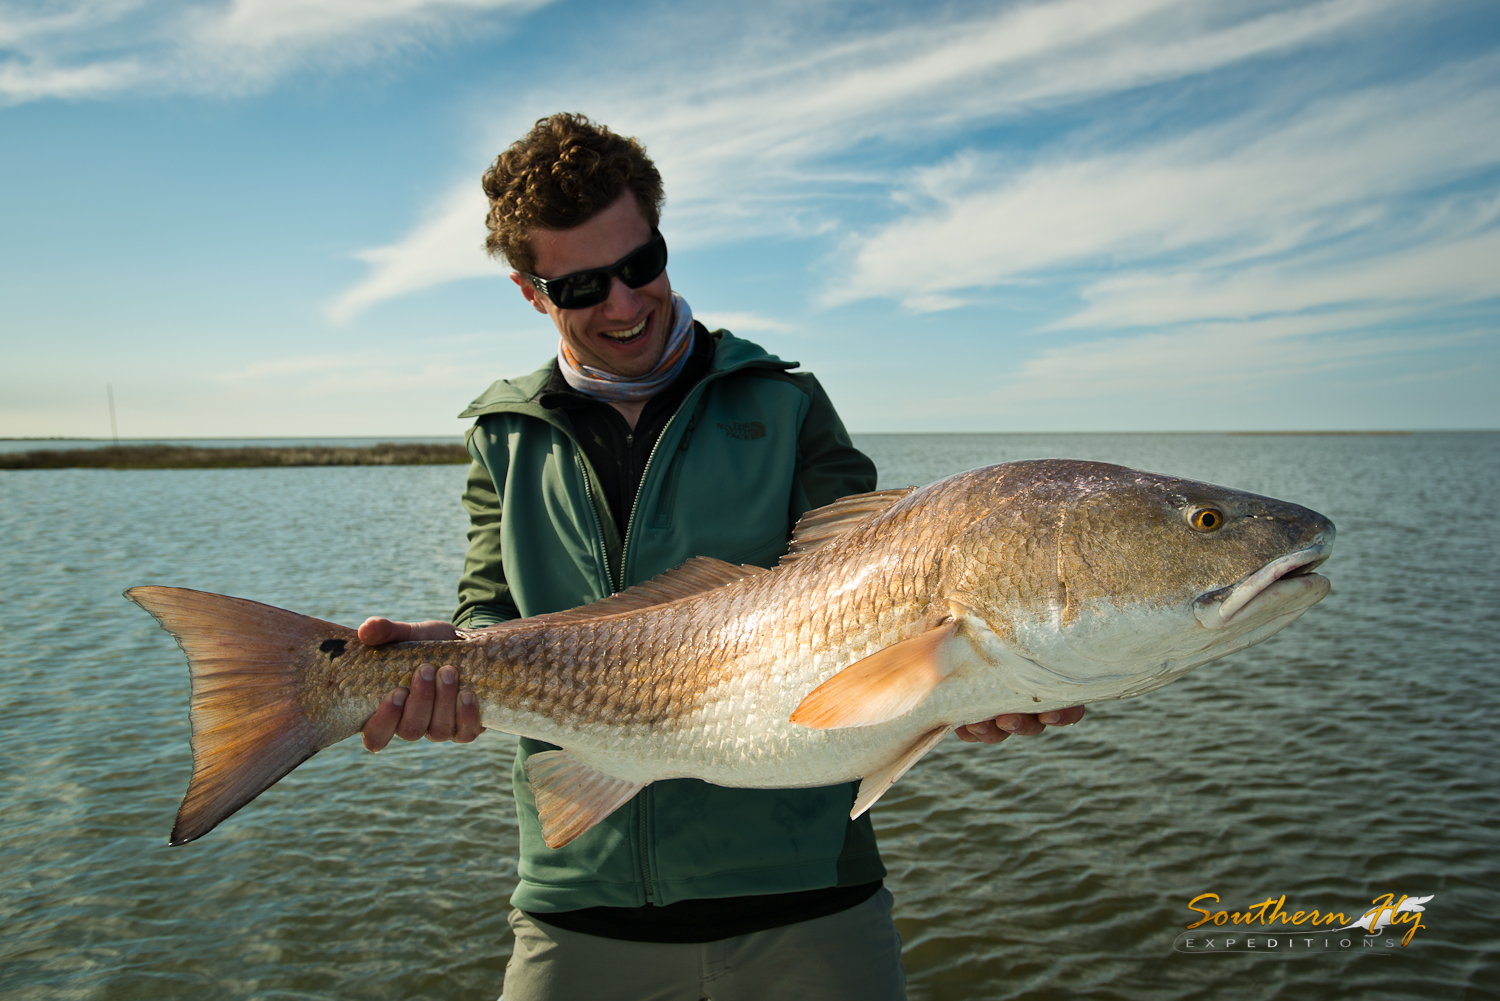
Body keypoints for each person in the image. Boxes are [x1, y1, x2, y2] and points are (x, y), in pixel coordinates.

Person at [355, 113, 1085, 1001]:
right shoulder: (504, 436)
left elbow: (886, 591)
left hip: (809, 898)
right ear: (530, 291)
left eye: (641, 263)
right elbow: (489, 619)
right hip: (579, 901)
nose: (625, 303)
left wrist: (974, 687)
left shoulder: (786, 404)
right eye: (583, 284)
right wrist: (449, 663)